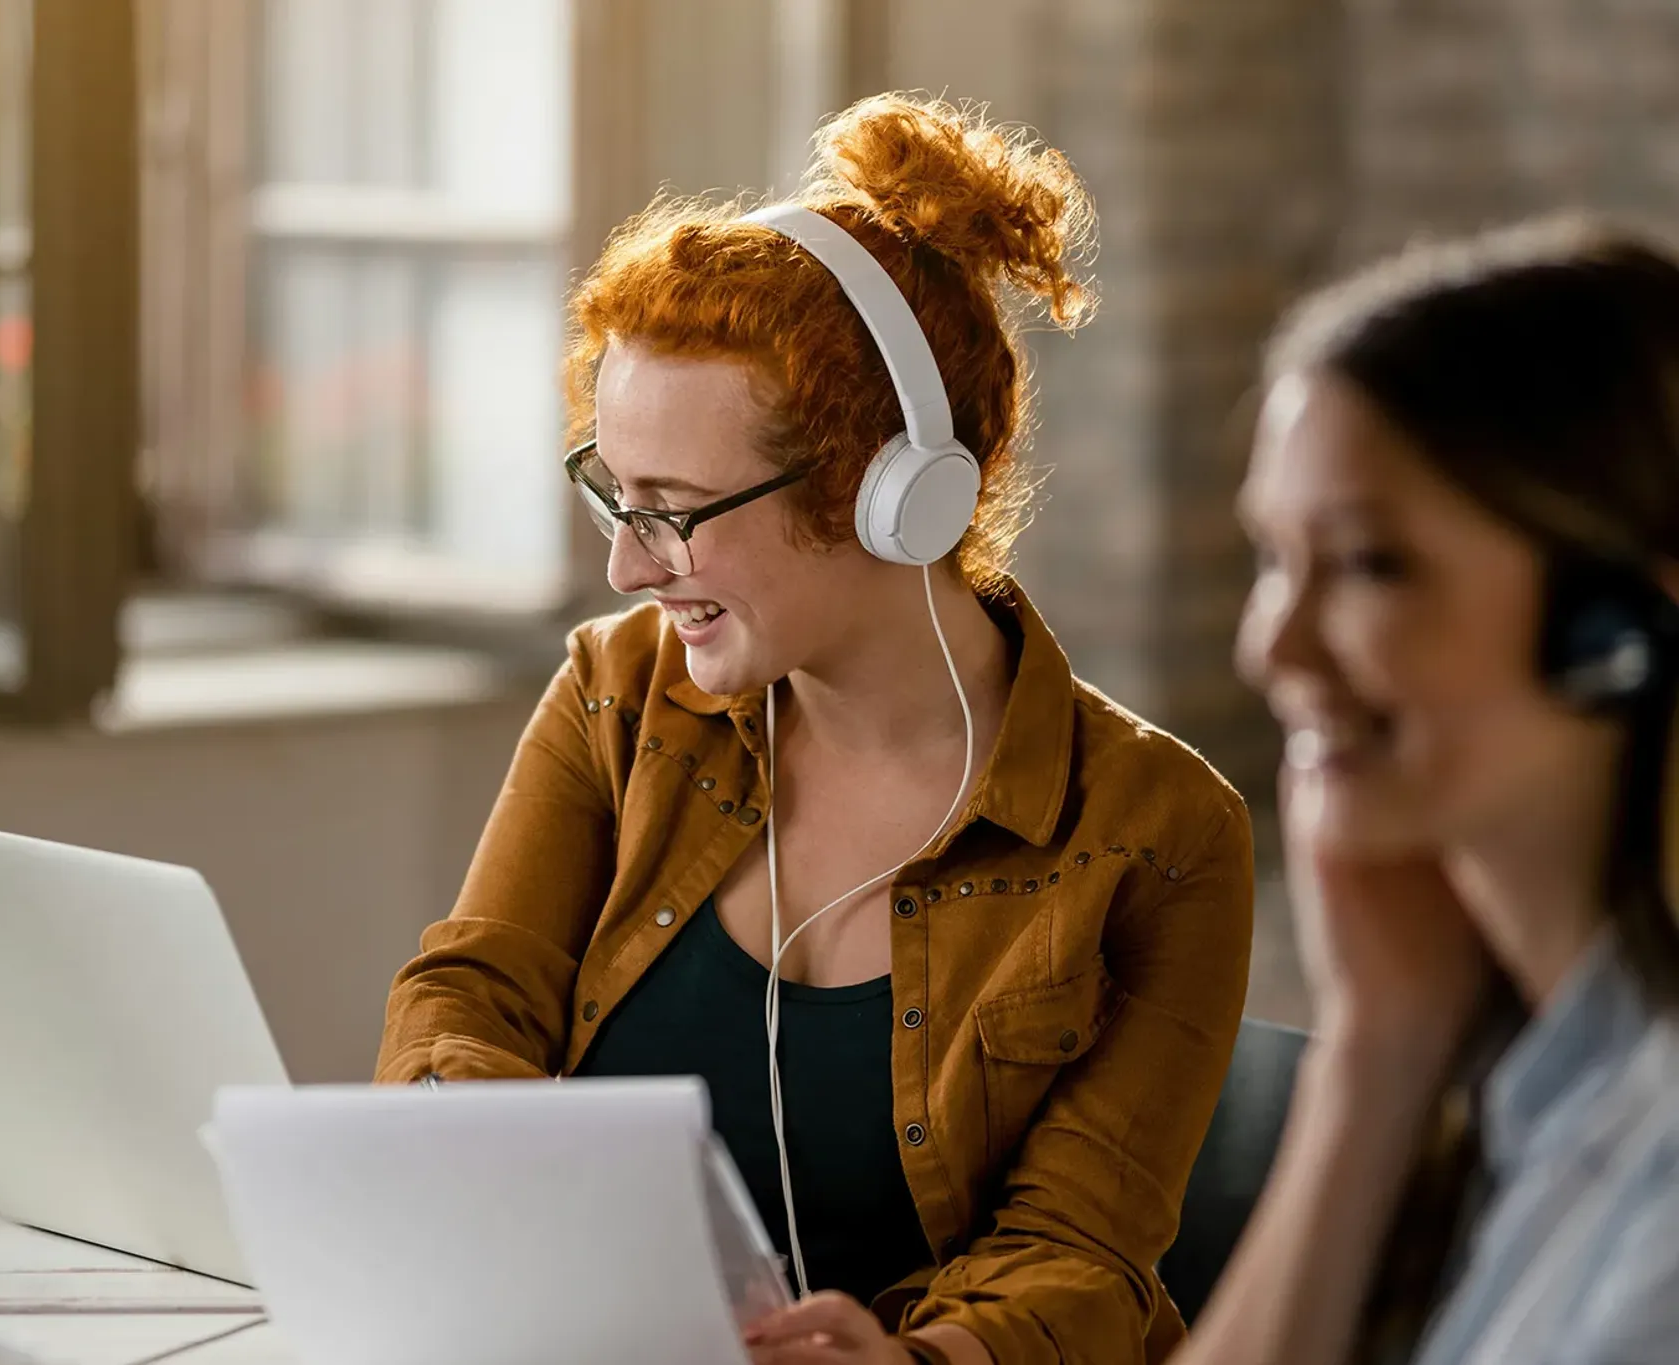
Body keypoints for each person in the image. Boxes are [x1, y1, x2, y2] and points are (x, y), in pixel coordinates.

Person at [376, 94, 1255, 1365]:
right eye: (612, 498)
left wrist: (910, 1360)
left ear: (889, 492)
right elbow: (468, 998)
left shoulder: (1157, 836)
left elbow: (1078, 1254)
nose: (628, 568)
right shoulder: (619, 694)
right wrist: (515, 1198)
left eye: (673, 510)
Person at [1188, 214, 1679, 1365]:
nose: (1272, 650)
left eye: (1366, 564)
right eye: (1273, 558)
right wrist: (1374, 1050)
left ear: (1620, 629)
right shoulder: (1542, 1088)